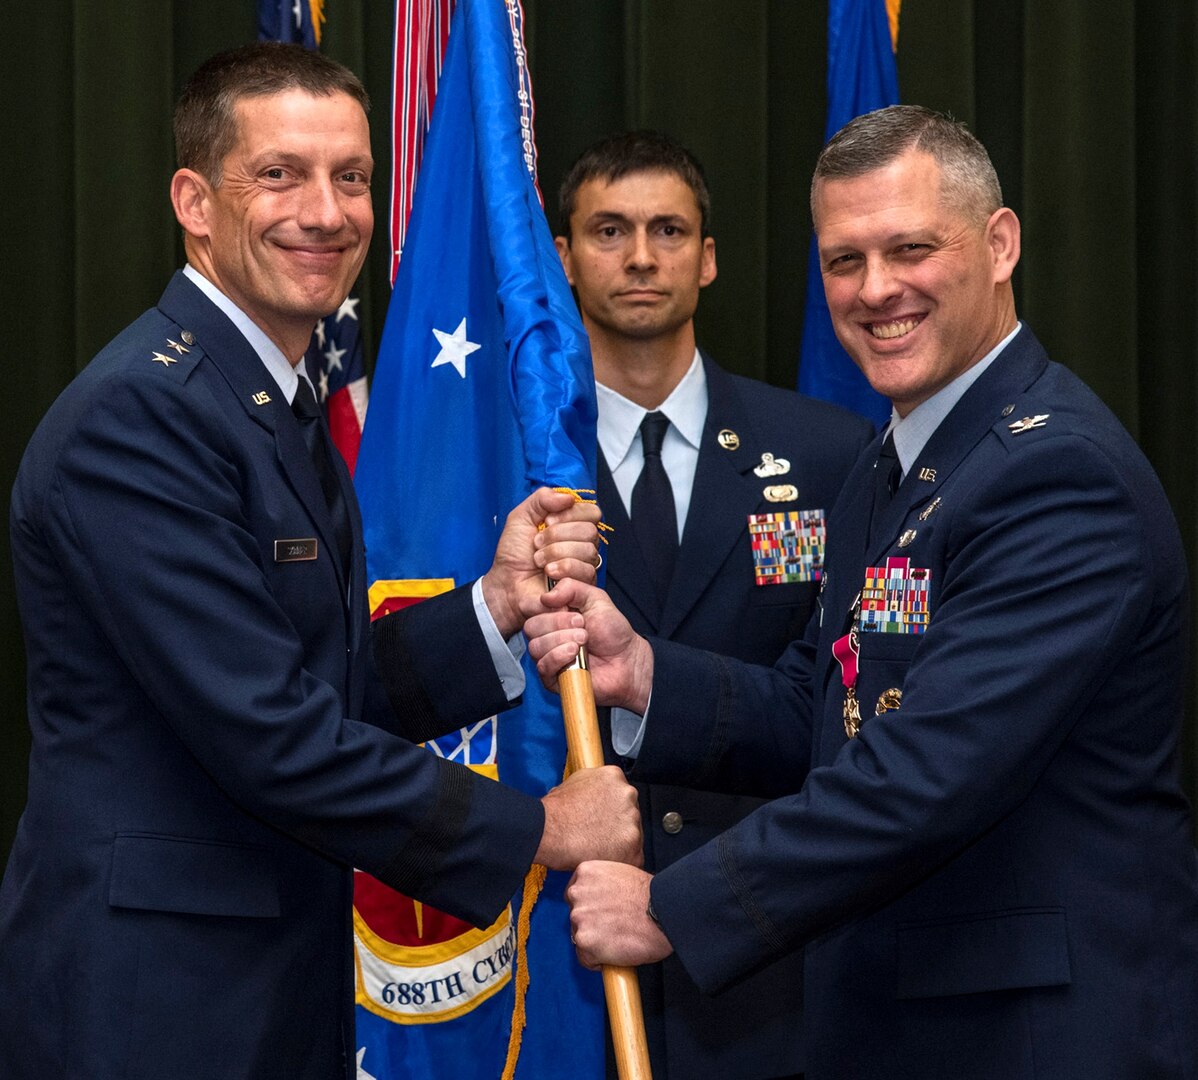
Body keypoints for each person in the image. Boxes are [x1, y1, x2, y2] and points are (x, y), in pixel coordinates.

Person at [0, 43, 641, 1080]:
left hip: (262, 981)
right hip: (158, 1000)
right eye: (280, 175)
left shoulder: (265, 401)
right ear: (194, 201)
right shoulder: (143, 418)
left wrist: (492, 603)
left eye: (352, 177)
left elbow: (323, 681)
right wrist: (537, 828)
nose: (327, 210)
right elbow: (271, 734)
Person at [529, 105, 1198, 1079]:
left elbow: (929, 768)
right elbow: (828, 704)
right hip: (908, 1024)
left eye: (911, 249)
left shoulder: (1055, 475)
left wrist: (675, 904)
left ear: (999, 244)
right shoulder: (894, 468)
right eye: (844, 261)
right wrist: (642, 676)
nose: (877, 289)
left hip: (1029, 1039)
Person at [555, 130, 872, 1080]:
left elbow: (841, 708)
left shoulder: (829, 450)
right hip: (563, 961)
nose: (642, 257)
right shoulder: (518, 463)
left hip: (766, 970)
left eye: (668, 230)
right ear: (563, 257)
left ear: (710, 257)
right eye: (609, 230)